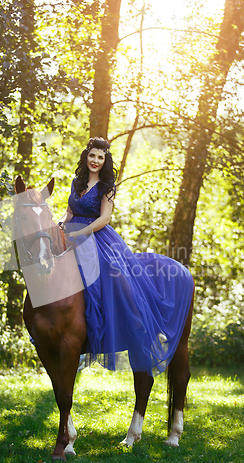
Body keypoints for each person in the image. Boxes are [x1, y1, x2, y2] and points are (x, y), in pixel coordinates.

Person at [58, 137, 194, 376]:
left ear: (105, 160)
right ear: (86, 156)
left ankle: (110, 331)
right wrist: (62, 225)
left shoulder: (106, 186)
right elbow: (70, 211)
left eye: (101, 157)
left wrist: (80, 232)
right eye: (92, 156)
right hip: (71, 233)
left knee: (108, 273)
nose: (96, 161)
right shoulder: (76, 182)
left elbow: (104, 219)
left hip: (96, 236)